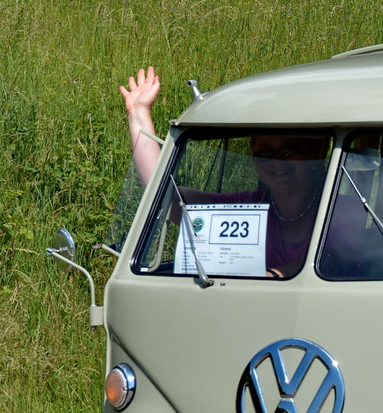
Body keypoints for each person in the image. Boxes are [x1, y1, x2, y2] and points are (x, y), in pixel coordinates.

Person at [121, 66, 324, 278]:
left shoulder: (339, 210)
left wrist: (275, 275)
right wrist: (138, 112)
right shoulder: (247, 207)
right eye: (265, 153)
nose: (276, 161)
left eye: (288, 151)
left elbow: (340, 260)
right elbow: (163, 196)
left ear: (314, 155)